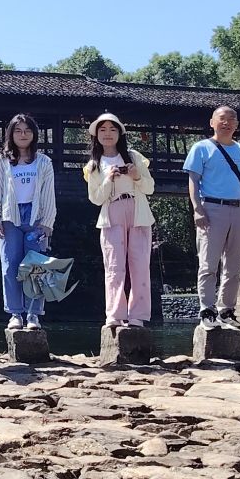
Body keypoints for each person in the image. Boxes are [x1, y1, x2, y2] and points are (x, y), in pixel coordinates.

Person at [183, 106, 240, 329]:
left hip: (239, 209)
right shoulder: (201, 148)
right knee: (208, 264)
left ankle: (227, 310)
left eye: (231, 119)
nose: (226, 123)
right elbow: (193, 181)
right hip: (212, 208)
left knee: (234, 265)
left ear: (237, 125)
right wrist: (197, 209)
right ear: (212, 122)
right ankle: (207, 310)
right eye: (222, 119)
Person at [81, 112, 155, 328]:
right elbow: (95, 198)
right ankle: (114, 314)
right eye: (103, 129)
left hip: (138, 211)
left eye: (112, 129)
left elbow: (150, 188)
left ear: (120, 133)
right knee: (114, 266)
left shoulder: (134, 157)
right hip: (111, 212)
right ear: (96, 135)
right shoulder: (94, 165)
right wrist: (108, 180)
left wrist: (136, 176)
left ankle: (138, 315)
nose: (108, 133)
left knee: (140, 264)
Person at [0, 113, 58, 332]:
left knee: (36, 266)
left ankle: (33, 314)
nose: (23, 134)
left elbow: (49, 193)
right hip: (10, 216)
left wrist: (48, 222)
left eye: (27, 130)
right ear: (11, 134)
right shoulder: (2, 161)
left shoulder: (44, 162)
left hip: (36, 216)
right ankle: (15, 313)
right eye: (18, 131)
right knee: (10, 266)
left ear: (34, 134)